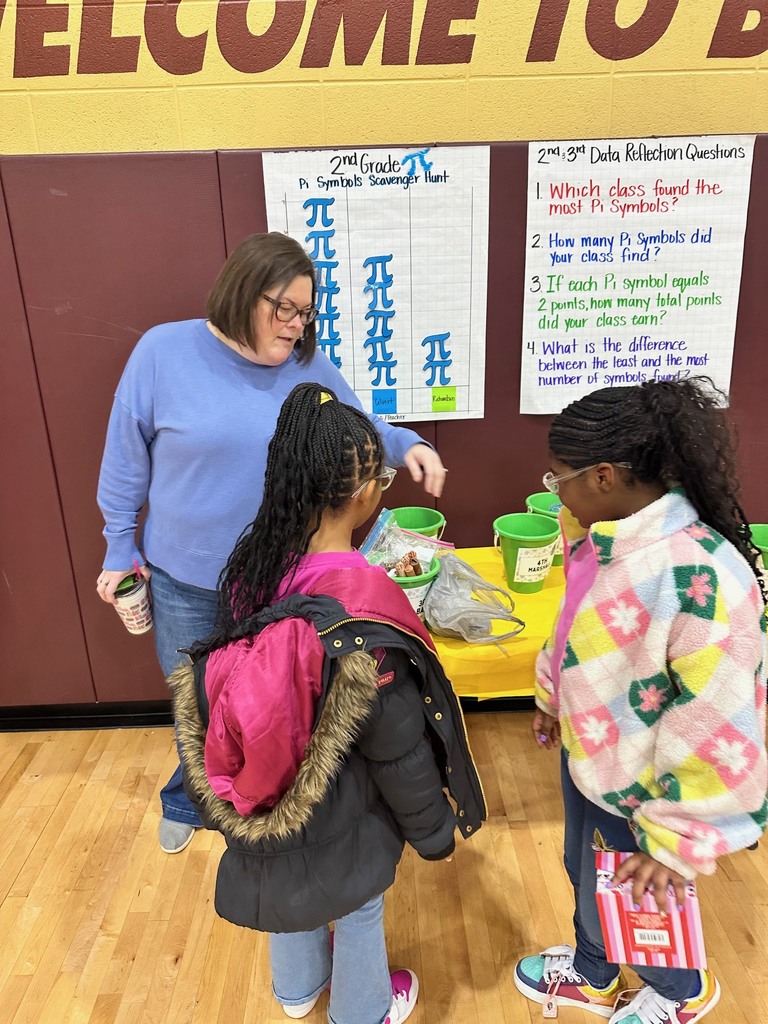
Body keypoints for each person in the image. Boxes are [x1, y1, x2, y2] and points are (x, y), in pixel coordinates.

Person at [95, 232, 447, 854]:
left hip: (278, 576)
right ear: (239, 294)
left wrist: (410, 444)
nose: (294, 324)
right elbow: (125, 461)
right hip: (183, 578)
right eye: (280, 307)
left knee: (265, 704)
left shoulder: (307, 366)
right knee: (196, 699)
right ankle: (192, 796)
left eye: (305, 311)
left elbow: (357, 424)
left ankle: (261, 803)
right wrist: (118, 546)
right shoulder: (162, 352)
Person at [168, 382, 485, 1024]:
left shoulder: (256, 564)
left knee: (289, 883)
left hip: (269, 779)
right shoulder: (364, 604)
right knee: (358, 904)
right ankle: (363, 1009)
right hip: (344, 797)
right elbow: (396, 743)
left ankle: (296, 994)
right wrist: (433, 831)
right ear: (366, 495)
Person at [513, 378, 767, 1024]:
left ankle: (681, 993)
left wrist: (674, 842)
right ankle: (596, 972)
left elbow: (718, 721)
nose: (555, 492)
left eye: (557, 479)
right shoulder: (601, 540)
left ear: (603, 476)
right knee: (587, 874)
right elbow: (571, 629)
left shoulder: (702, 577)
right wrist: (552, 695)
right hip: (593, 764)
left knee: (646, 902)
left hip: (650, 795)